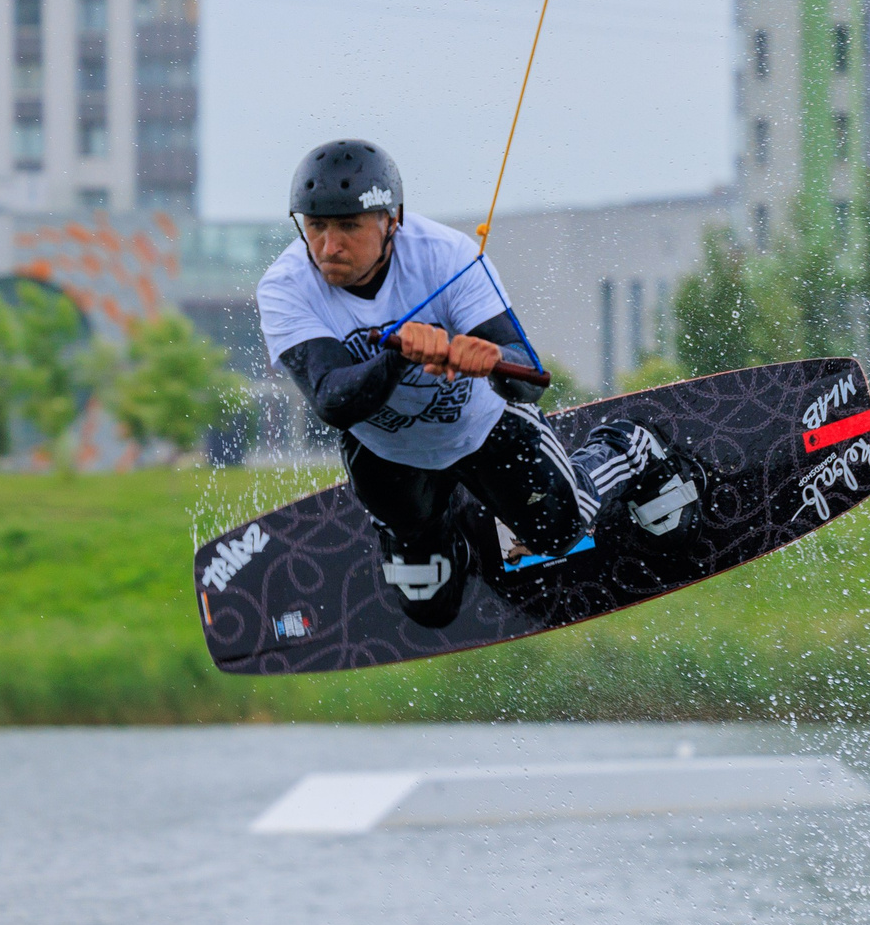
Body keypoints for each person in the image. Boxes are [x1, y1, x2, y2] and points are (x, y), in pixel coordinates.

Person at [257, 139, 696, 628]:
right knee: (429, 609)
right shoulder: (286, 285)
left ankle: (631, 449)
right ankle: (443, 530)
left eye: (348, 226)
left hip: (482, 426)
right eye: (316, 226)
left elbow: (530, 381)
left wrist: (492, 362)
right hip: (384, 452)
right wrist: (399, 354)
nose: (328, 246)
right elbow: (332, 400)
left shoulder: (447, 256)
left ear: (391, 220)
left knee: (561, 534)